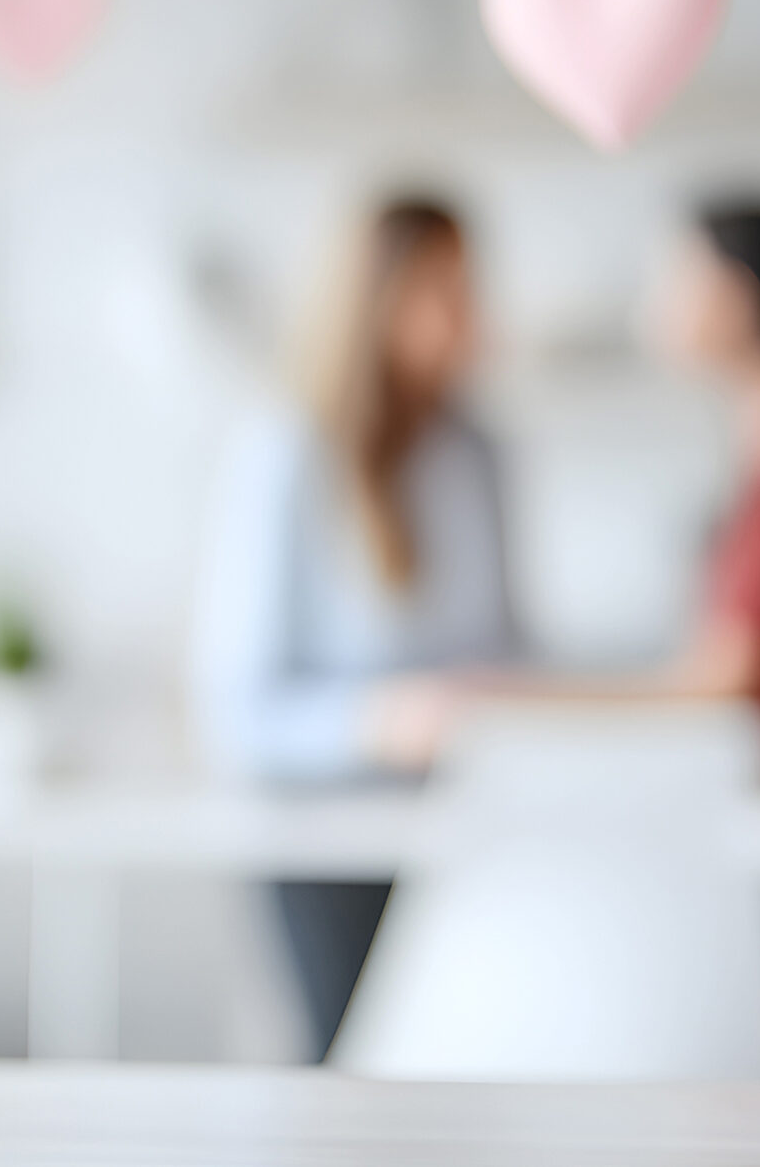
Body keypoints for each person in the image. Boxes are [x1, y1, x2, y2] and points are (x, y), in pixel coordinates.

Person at [417, 203, 760, 1075]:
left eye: (677, 280)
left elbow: (722, 680)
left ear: (737, 298)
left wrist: (523, 701)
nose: (656, 306)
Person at [193, 198, 518, 1065]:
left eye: (469, 290)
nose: (466, 317)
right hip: (325, 842)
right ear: (377, 301)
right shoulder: (287, 453)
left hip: (461, 838)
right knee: (346, 1083)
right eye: (439, 291)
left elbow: (514, 645)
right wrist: (375, 722)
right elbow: (234, 713)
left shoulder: (478, 454)